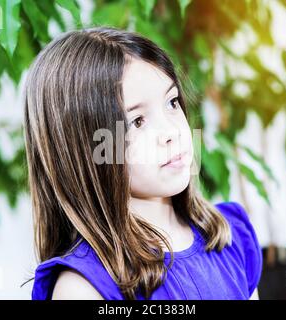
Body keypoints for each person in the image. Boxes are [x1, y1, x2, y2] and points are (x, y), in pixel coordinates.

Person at [23, 26, 262, 300]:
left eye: (172, 102)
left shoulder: (230, 236)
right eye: (137, 121)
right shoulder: (83, 288)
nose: (172, 132)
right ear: (87, 151)